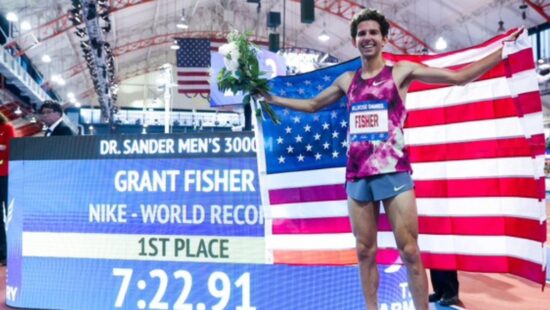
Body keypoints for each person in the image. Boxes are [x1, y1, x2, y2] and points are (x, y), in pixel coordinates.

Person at [263, 8, 521, 310]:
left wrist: (502, 52)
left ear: (384, 39)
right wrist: (272, 98)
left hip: (394, 174)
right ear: (354, 40)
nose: (367, 38)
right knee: (364, 251)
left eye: (373, 33)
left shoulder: (401, 72)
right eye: (362, 34)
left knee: (410, 251)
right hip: (358, 178)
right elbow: (312, 105)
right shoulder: (348, 80)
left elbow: (460, 78)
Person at [0, 111, 15, 266]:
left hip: (4, 176)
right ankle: (2, 253)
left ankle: (9, 253)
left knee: (8, 215)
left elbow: (11, 150)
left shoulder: (7, 128)